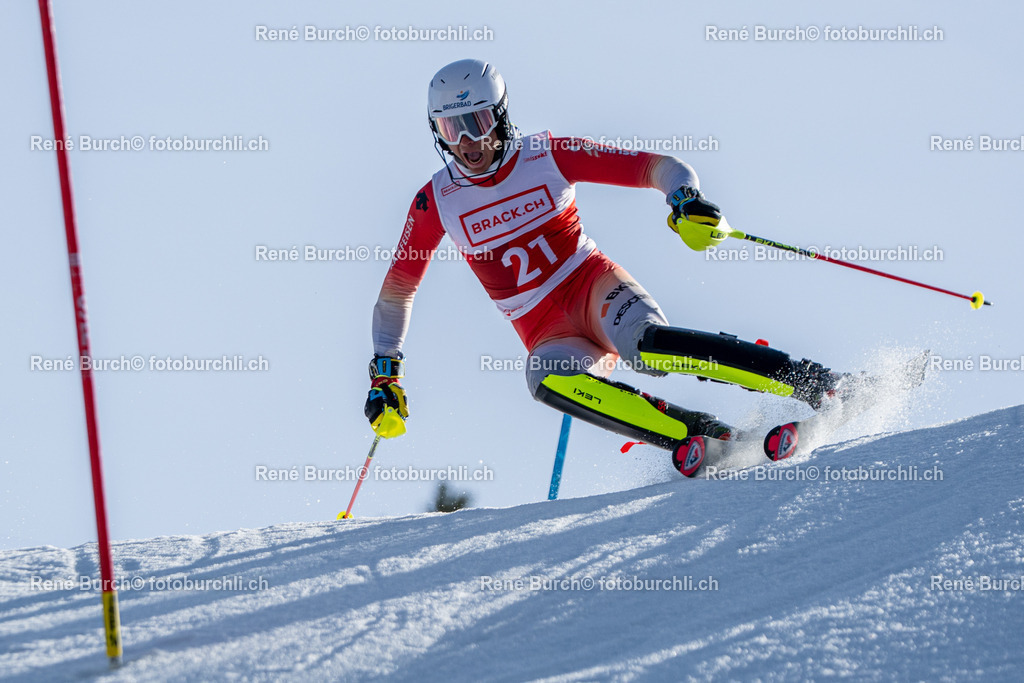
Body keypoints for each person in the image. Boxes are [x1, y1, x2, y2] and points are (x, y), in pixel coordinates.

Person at [365, 58, 843, 463]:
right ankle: (701, 435)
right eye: (452, 128)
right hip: (546, 329)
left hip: (594, 288)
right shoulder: (437, 201)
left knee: (649, 351)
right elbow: (398, 290)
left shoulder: (547, 154)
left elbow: (657, 167)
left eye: (478, 123)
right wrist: (386, 371)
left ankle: (818, 384)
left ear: (501, 116)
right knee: (544, 378)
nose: (468, 142)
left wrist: (684, 200)